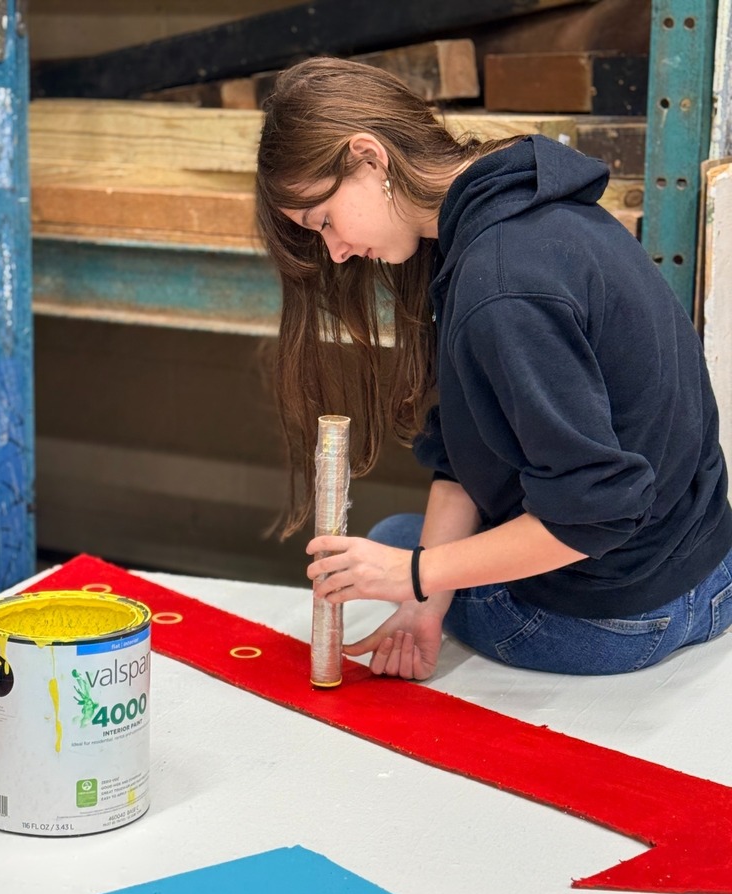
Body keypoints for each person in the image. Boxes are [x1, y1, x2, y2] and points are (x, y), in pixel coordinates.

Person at [255, 56, 732, 680]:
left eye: (323, 221)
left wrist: (416, 576)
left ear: (369, 158)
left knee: (395, 541)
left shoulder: (501, 286)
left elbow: (598, 512)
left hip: (621, 618)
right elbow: (469, 447)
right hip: (712, 567)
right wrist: (424, 600)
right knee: (409, 542)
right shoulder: (524, 203)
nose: (337, 251)